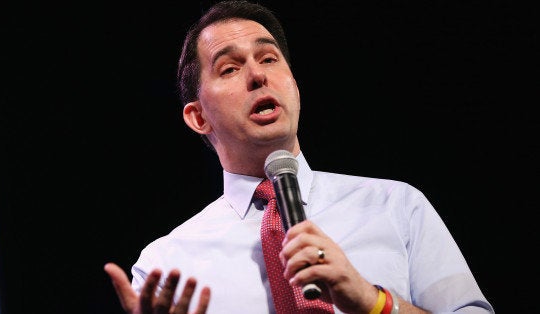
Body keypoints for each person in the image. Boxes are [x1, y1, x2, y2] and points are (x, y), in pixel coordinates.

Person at [104, 1, 494, 313]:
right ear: (199, 117)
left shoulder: (396, 206)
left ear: (293, 83)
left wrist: (373, 302)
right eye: (230, 68)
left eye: (269, 59)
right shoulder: (167, 264)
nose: (257, 75)